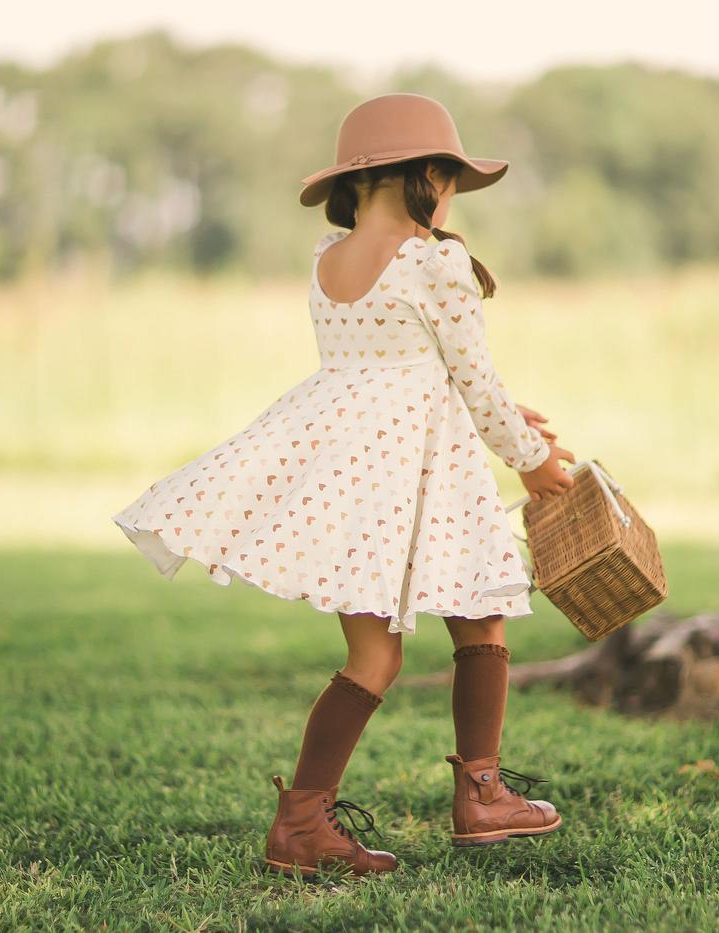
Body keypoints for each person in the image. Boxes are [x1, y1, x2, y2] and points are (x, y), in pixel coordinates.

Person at [111, 92, 575, 880]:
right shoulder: (437, 260)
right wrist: (531, 458)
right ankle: (481, 791)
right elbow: (476, 378)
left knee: (374, 655)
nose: (454, 193)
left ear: (354, 184)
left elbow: (412, 367)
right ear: (429, 175)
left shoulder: (328, 262)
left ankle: (303, 821)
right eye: (452, 177)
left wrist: (492, 410)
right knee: (480, 613)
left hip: (353, 475)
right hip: (421, 470)